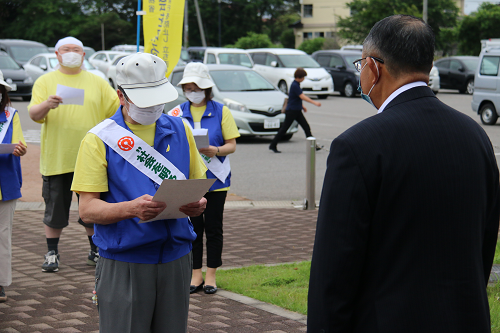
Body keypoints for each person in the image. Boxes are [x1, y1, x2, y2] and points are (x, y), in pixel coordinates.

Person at [308, 15, 500, 333]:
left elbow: (334, 276)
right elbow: (482, 248)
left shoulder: (356, 146)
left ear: (372, 66)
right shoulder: (476, 137)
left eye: (360, 66)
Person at [71, 53, 207, 332]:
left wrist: (199, 203)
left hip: (177, 256)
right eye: (146, 100)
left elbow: (197, 184)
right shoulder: (98, 139)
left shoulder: (181, 129)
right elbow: (87, 210)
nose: (155, 107)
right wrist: (130, 208)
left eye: (159, 98)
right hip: (125, 261)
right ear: (121, 95)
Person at [28, 36, 120, 272]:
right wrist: (47, 104)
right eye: (66, 49)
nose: (71, 53)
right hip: (57, 159)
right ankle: (52, 252)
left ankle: (95, 250)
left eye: (76, 49)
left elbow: (116, 111)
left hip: (91, 159)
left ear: (84, 55)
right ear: (57, 54)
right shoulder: (45, 81)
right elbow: (34, 115)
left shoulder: (97, 82)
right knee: (55, 209)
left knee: (93, 207)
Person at [169, 62, 240, 294]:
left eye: (196, 87)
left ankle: (211, 275)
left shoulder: (222, 111)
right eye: (188, 88)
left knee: (214, 228)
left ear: (206, 88)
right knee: (193, 228)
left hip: (217, 179)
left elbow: (232, 145)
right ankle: (195, 274)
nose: (192, 91)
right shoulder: (177, 113)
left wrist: (215, 150)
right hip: (191, 180)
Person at [0, 70, 27, 303]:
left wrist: (19, 149)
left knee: (2, 236)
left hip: (5, 184)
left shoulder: (11, 115)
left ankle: (0, 283)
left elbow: (20, 143)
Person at [269, 68, 322, 153]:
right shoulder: (295, 85)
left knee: (306, 127)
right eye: (303, 77)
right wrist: (314, 102)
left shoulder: (296, 84)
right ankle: (273, 144)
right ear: (299, 77)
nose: (304, 79)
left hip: (296, 110)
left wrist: (302, 106)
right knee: (284, 129)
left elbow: (295, 98)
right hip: (292, 111)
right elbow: (302, 96)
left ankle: (314, 146)